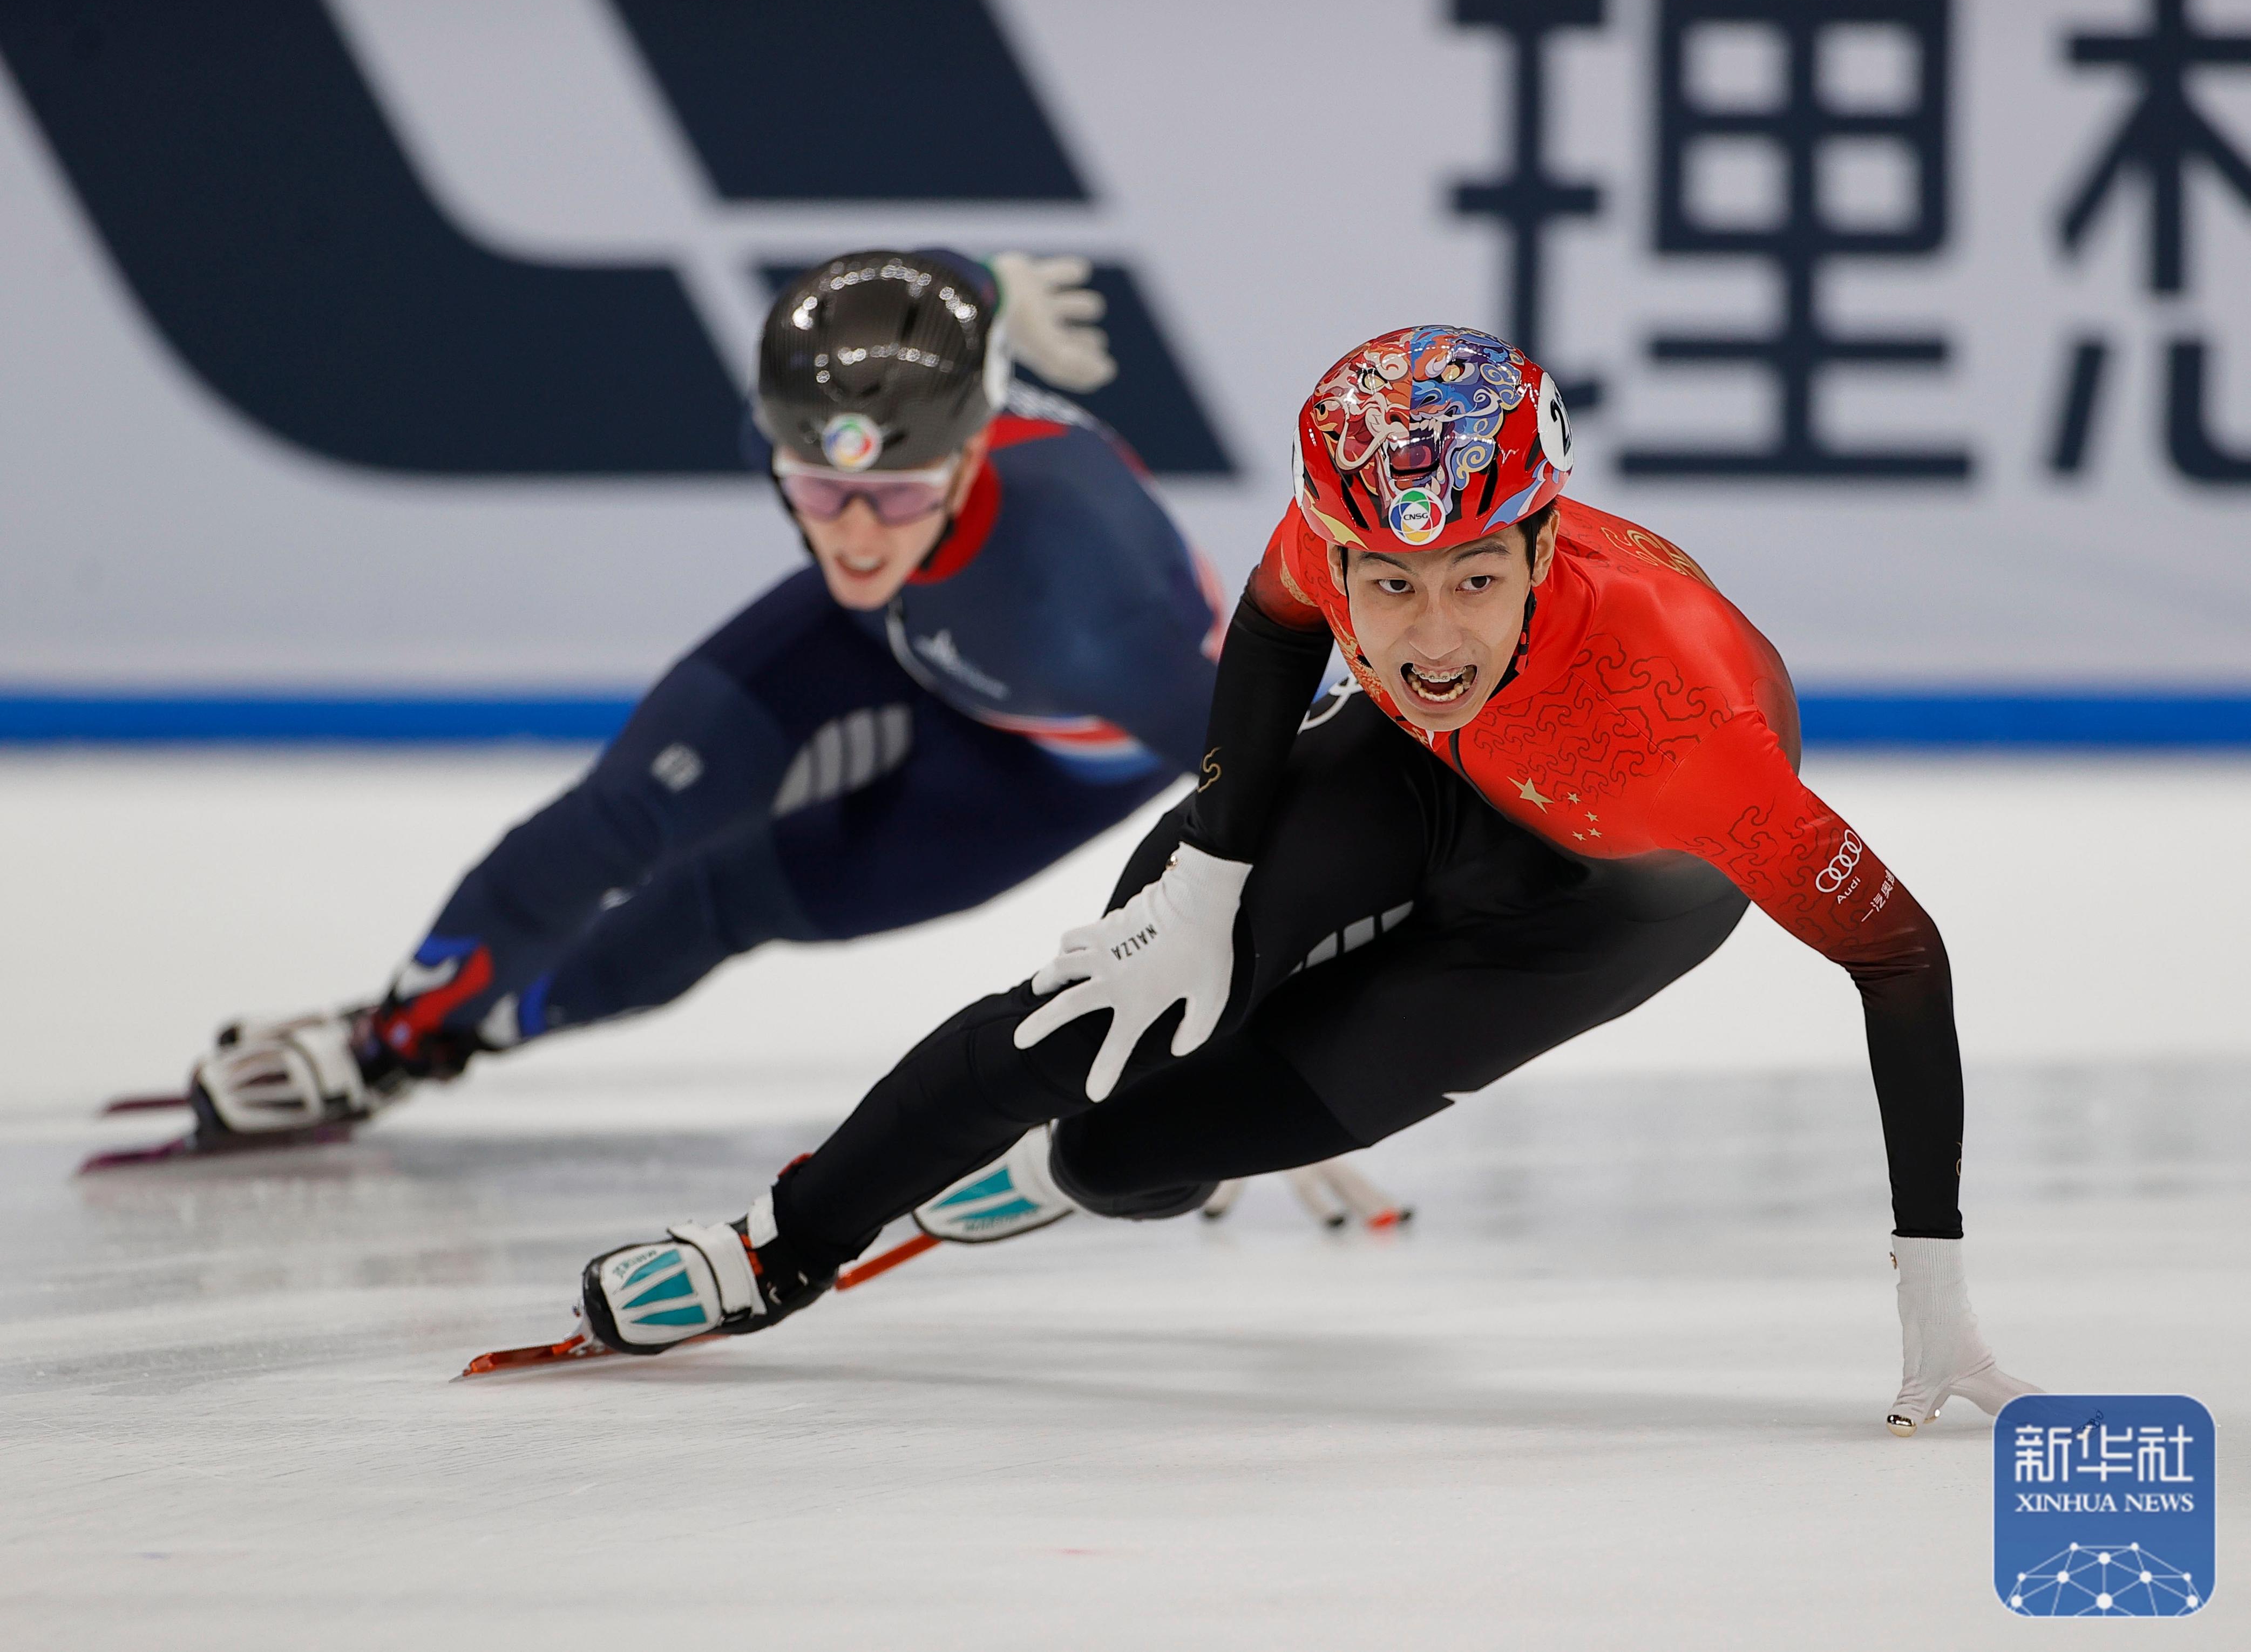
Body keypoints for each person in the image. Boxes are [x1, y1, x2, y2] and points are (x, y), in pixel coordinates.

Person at [567, 325, 2039, 1436]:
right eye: (1386, 585)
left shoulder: (1691, 727)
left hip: (1592, 907)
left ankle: (1081, 1168)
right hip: (1409, 778)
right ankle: (781, 1245)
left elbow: (1900, 956)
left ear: (1541, 540)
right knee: (1095, 1014)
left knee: (1124, 1153)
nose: (1430, 633)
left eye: (1473, 574)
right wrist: (1209, 873)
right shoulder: (1353, 531)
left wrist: (1935, 1289)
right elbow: (1275, 632)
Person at [186, 249, 1211, 1136]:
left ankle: (476, 1034)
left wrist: (1254, 1035)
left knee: (724, 900)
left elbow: (1276, 780)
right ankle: (388, 1040)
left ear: (971, 452)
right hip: (880, 631)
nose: (854, 534)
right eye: (815, 491)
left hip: (1047, 765)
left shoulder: (1082, 608)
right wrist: (987, 283)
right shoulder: (828, 404)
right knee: (618, 814)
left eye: (894, 497)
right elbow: (925, 285)